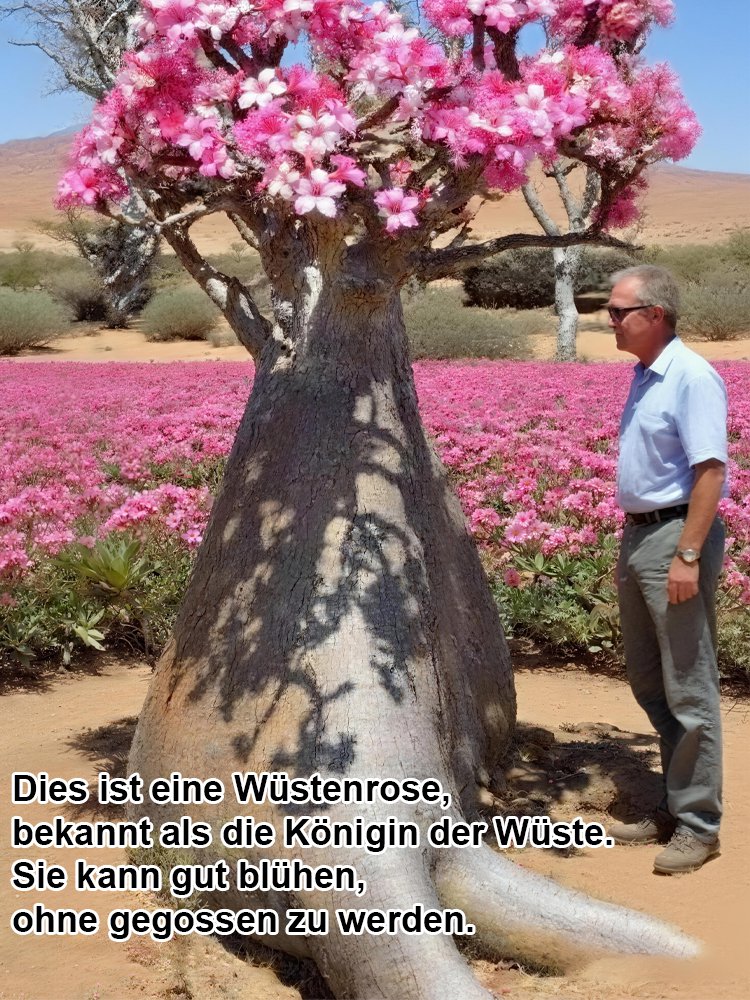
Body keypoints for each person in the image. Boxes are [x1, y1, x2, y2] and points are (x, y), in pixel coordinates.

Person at [606, 264, 728, 875]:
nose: (610, 322)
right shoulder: (644, 376)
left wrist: (686, 552)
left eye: (618, 311)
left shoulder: (690, 377)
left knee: (687, 684)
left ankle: (699, 824)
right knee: (649, 680)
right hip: (641, 538)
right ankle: (677, 803)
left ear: (655, 315)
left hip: (675, 538)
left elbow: (711, 471)